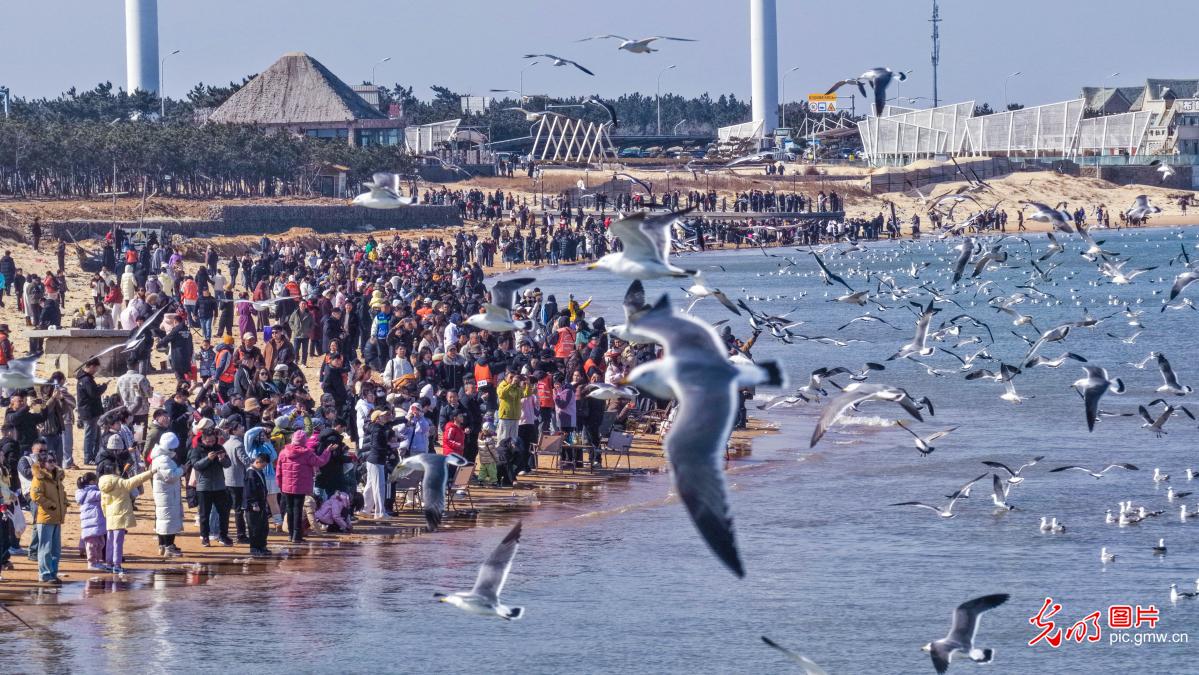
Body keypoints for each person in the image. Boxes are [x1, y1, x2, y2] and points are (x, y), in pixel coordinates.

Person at [98, 466, 154, 574]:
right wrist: (151, 472)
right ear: (114, 472)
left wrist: (106, 515)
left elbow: (103, 503)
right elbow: (138, 479)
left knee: (109, 541)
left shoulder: (102, 485)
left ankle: (109, 564)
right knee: (118, 542)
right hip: (120, 516)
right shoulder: (120, 482)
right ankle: (117, 565)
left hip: (110, 516)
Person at [277, 429, 330, 543]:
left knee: (289, 509)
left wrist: (280, 484)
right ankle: (297, 535)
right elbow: (320, 462)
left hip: (286, 486)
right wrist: (327, 451)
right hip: (301, 487)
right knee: (297, 510)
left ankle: (291, 535)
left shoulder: (283, 452)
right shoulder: (307, 453)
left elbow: (279, 470)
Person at [189, 426, 232, 546]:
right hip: (204, 487)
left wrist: (222, 459)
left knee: (223, 513)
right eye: (208, 441)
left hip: (219, 486)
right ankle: (205, 537)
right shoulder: (196, 450)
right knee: (204, 514)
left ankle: (223, 535)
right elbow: (196, 465)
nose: (211, 444)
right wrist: (208, 459)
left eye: (213, 441)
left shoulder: (219, 448)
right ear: (203, 439)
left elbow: (228, 464)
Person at [30, 451, 66, 585]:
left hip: (57, 517)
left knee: (56, 549)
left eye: (54, 460)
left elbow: (62, 492)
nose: (53, 463)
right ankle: (44, 574)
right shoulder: (39, 478)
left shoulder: (57, 477)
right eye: (50, 461)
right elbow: (36, 496)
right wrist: (51, 505)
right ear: (43, 463)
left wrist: (64, 503)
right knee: (45, 548)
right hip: (45, 518)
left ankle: (52, 573)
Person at [150, 432, 185, 557]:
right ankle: (169, 547)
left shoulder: (158, 456)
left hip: (165, 493)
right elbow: (170, 476)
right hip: (167, 495)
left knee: (163, 520)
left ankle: (163, 545)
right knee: (168, 521)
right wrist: (182, 470)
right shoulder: (164, 459)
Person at [76, 357, 107, 465]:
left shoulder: (86, 379)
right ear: (91, 366)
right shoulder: (86, 380)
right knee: (90, 436)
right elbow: (93, 394)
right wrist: (103, 388)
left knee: (96, 435)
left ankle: (94, 456)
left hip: (93, 411)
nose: (96, 371)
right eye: (95, 368)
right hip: (89, 412)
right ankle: (88, 457)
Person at [76, 472, 107, 571]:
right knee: (92, 544)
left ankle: (97, 561)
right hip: (92, 522)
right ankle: (92, 563)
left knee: (100, 543)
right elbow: (102, 494)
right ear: (92, 482)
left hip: (95, 522)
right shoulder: (90, 492)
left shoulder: (87, 492)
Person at [243, 452, 272, 556]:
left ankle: (262, 546)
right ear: (258, 461)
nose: (264, 467)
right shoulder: (250, 473)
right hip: (253, 506)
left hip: (261, 503)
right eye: (263, 465)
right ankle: (254, 548)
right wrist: (254, 503)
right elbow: (249, 491)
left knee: (264, 527)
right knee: (254, 527)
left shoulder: (259, 471)